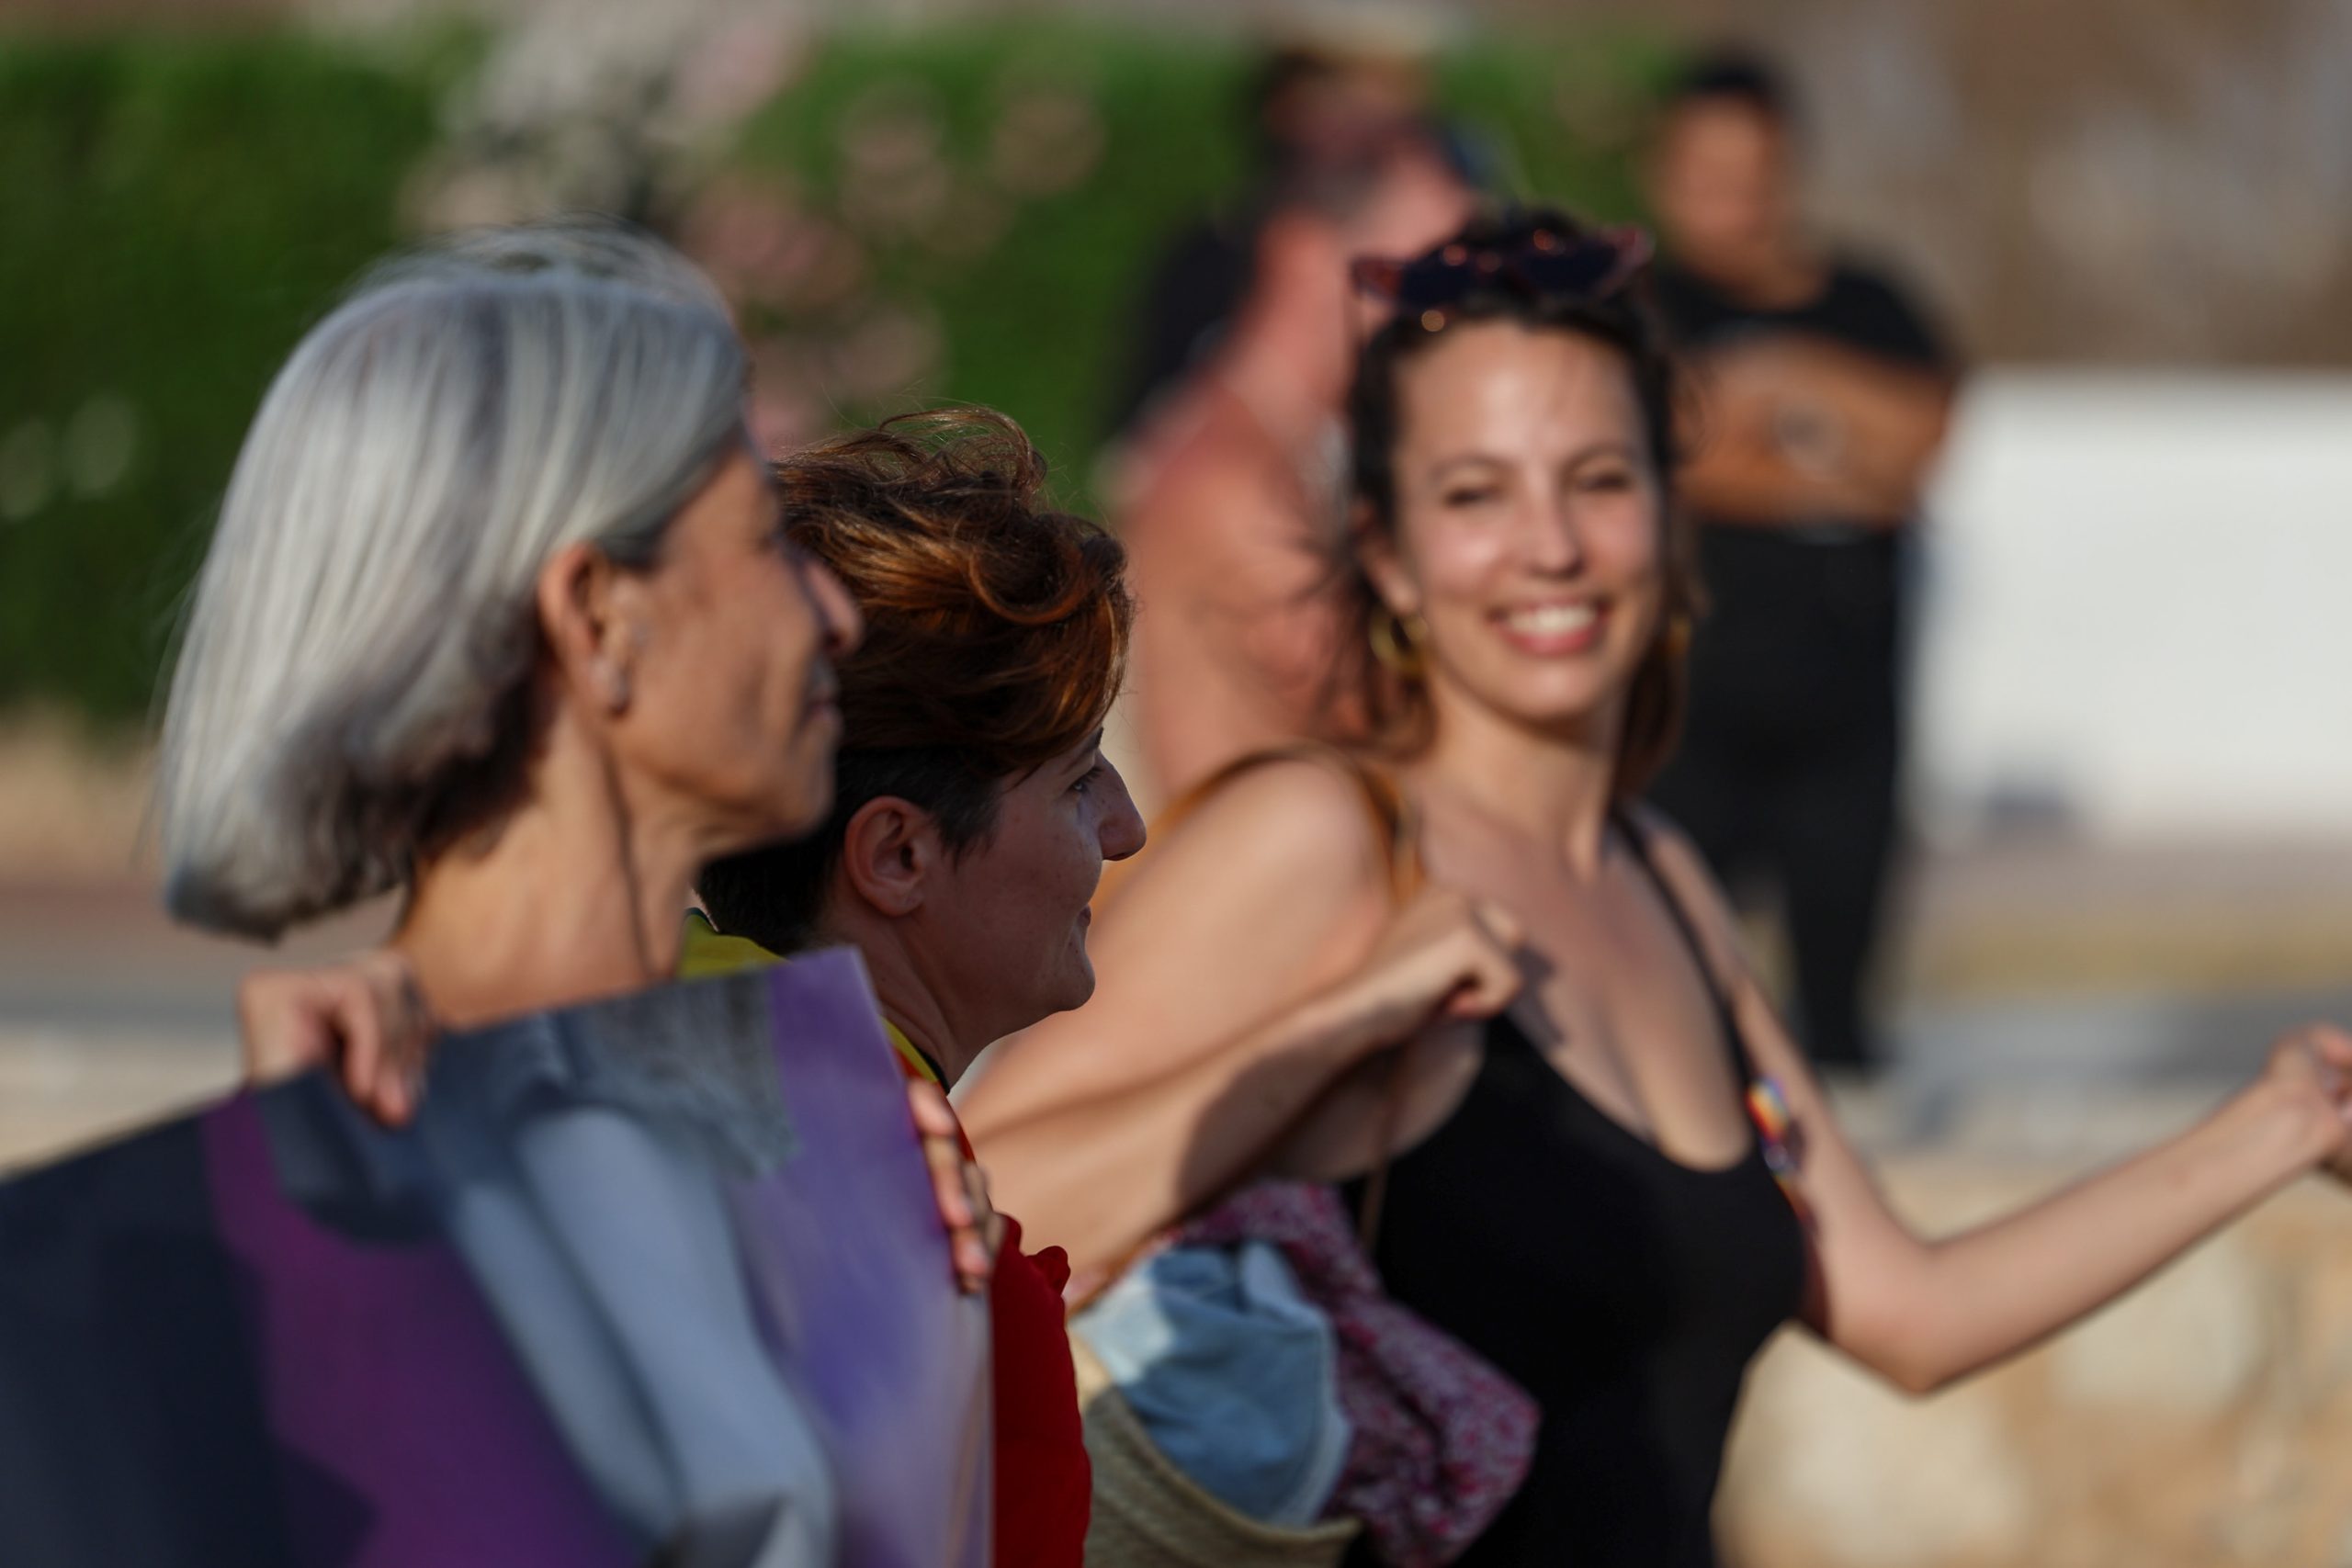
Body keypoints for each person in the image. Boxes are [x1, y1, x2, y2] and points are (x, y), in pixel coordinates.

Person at [957, 208, 2352, 1567]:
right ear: (1385, 551)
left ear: (1674, 517)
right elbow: (971, 1211)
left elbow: (1907, 1310)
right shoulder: (1326, 836)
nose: (1551, 545)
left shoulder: (1663, 877)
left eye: (1600, 479)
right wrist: (1338, 1024)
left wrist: (2284, 1119)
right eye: (1475, 492)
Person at [236, 404, 1527, 1564]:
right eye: (1080, 777)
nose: (1128, 828)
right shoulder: (810, 1136)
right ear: (898, 851)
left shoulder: (679, 1062)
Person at [153, 220, 873, 1559]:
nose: (837, 616)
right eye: (775, 543)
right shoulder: (368, 1171)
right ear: (598, 618)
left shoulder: (748, 1117)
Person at [1640, 49, 1960, 1071]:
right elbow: (1669, 457)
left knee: (1842, 1011)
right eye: (1706, 172)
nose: (1731, 199)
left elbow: (1921, 441)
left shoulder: (1871, 301)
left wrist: (1767, 379)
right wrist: (1830, 457)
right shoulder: (1639, 305)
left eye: (1751, 170)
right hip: (1690, 711)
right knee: (1671, 992)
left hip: (1846, 713)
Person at [1116, 128, 1472, 805]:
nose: (1446, 308)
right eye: (1424, 269)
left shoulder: (1291, 444)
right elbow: (1388, 715)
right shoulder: (1230, 476)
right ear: (1305, 251)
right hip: (1236, 896)